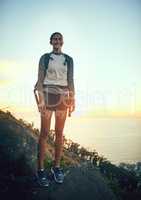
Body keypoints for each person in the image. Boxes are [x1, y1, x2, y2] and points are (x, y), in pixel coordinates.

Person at [34, 32, 75, 186]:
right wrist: (41, 100)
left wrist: (73, 99)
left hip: (64, 98)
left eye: (59, 39)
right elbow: (39, 80)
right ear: (51, 41)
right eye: (54, 39)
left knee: (59, 133)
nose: (57, 41)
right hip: (47, 95)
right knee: (44, 133)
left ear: (62, 42)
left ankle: (56, 168)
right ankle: (41, 170)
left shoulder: (69, 60)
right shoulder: (45, 57)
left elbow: (70, 80)